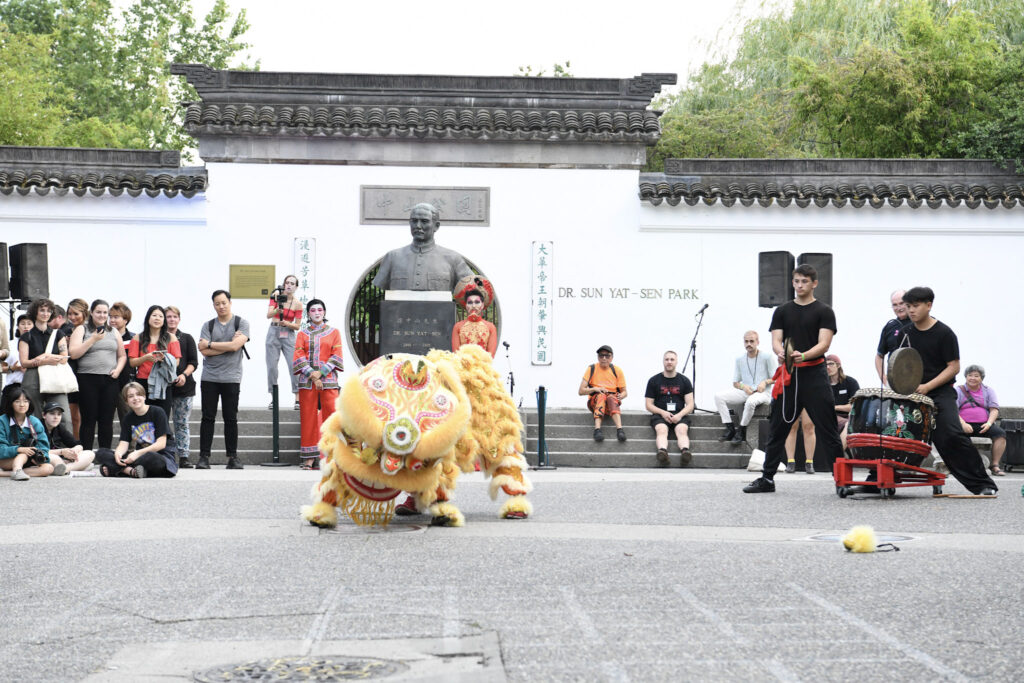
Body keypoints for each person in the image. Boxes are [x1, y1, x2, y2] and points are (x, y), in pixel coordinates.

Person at [744, 264, 843, 493]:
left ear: (814, 284)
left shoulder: (824, 311)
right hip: (790, 376)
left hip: (815, 375)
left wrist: (805, 355)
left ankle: (842, 480)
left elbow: (824, 343)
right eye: (796, 281)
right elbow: (777, 340)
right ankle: (767, 479)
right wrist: (781, 352)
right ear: (792, 282)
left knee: (828, 429)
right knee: (778, 427)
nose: (800, 285)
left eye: (805, 282)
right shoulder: (782, 311)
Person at [901, 287, 996, 495]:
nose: (911, 311)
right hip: (912, 393)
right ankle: (878, 478)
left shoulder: (944, 333)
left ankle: (982, 484)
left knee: (951, 435)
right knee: (894, 431)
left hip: (939, 393)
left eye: (915, 306)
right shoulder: (905, 333)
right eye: (908, 306)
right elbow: (900, 364)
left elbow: (953, 366)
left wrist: (927, 386)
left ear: (929, 305)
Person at [197, 289, 250, 470]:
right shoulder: (208, 325)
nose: (221, 306)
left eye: (223, 302)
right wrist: (228, 346)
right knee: (207, 418)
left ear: (230, 302)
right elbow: (202, 351)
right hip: (209, 377)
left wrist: (212, 344)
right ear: (213, 305)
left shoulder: (241, 323)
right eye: (217, 303)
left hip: (231, 377)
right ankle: (204, 457)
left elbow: (235, 346)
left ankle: (233, 457)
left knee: (230, 418)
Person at [372, 203, 473, 291]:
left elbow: (474, 287)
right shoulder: (392, 257)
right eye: (414, 221)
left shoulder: (453, 258)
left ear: (436, 226)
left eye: (424, 221)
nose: (418, 226)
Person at [292, 299, 344, 469]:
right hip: (307, 382)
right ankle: (309, 458)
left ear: (324, 312)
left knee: (332, 418)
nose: (317, 312)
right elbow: (298, 356)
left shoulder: (334, 332)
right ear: (308, 313)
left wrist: (320, 374)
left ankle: (333, 456)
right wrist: (313, 376)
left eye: (320, 309)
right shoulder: (302, 334)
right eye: (313, 310)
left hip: (328, 381)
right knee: (308, 419)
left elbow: (336, 356)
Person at [69, 300, 126, 451]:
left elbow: (122, 356)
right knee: (88, 419)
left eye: (105, 313)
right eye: (98, 312)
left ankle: (104, 454)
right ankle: (86, 454)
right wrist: (93, 339)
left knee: (106, 420)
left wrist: (118, 370)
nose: (102, 315)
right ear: (92, 313)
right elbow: (73, 354)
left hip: (109, 379)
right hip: (87, 378)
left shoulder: (113, 331)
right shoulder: (82, 329)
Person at [94, 382, 177, 478]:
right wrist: (118, 454)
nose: (135, 398)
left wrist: (137, 453)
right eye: (131, 396)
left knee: (151, 457)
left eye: (138, 394)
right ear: (126, 401)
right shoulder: (128, 418)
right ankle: (132, 471)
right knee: (101, 453)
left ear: (144, 397)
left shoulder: (158, 412)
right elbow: (123, 444)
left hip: (161, 456)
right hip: (138, 458)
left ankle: (119, 469)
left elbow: (161, 444)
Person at [17, 298, 72, 431]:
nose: (45, 313)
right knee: (34, 415)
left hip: (55, 376)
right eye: (42, 310)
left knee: (63, 416)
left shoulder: (58, 333)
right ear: (35, 312)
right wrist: (46, 360)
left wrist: (42, 358)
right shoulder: (26, 337)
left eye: (49, 311)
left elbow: (64, 358)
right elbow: (24, 362)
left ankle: (65, 445)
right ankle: (38, 445)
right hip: (33, 377)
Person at [714, 331, 775, 446]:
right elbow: (735, 382)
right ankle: (730, 428)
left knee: (750, 402)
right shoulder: (740, 359)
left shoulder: (767, 357)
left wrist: (764, 382)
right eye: (746, 341)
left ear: (758, 342)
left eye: (752, 341)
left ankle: (741, 430)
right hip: (746, 391)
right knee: (718, 396)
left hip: (763, 393)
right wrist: (743, 386)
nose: (749, 344)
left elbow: (776, 377)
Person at [128, 305, 180, 418]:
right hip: (143, 382)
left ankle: (162, 436)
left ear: (164, 320)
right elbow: (132, 362)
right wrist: (145, 358)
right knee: (143, 416)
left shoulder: (171, 338)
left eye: (161, 316)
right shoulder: (138, 338)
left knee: (162, 417)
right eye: (154, 315)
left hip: (164, 383)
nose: (157, 318)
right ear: (148, 318)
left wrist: (165, 360)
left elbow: (177, 361)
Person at [644, 350, 694, 467]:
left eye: (672, 359)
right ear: (663, 362)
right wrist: (662, 413)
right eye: (667, 359)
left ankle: (685, 452)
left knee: (682, 430)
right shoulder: (654, 380)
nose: (669, 362)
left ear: (676, 362)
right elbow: (648, 404)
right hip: (660, 414)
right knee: (661, 430)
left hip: (679, 414)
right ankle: (662, 452)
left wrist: (680, 415)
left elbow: (690, 404)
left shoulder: (685, 381)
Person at [0, 385, 61, 480]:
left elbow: (44, 447)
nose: (22, 405)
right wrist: (19, 449)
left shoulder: (35, 422)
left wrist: (38, 455)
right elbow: (1, 449)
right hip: (5, 460)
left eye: (25, 401)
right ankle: (16, 470)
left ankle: (6, 474)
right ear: (10, 403)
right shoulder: (2, 421)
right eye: (17, 401)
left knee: (48, 468)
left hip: (29, 460)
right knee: (23, 454)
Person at [956, 364, 1006, 477]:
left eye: (976, 376)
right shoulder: (958, 390)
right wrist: (963, 424)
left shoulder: (988, 391)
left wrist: (988, 424)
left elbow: (994, 410)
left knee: (1000, 434)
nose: (972, 378)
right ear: (966, 377)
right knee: (950, 433)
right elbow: (953, 410)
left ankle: (995, 465)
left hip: (984, 425)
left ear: (981, 378)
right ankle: (953, 465)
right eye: (970, 375)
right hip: (963, 424)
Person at [165, 306, 199, 469]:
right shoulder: (159, 338)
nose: (171, 319)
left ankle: (184, 456)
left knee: (181, 422)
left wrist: (184, 375)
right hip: (163, 387)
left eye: (174, 316)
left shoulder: (187, 338)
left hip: (184, 388)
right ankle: (164, 453)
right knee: (161, 421)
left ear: (179, 319)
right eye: (168, 316)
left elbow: (193, 362)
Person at [266, 274, 303, 410]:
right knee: (271, 367)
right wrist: (277, 309)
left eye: (292, 283)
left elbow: (298, 326)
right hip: (273, 332)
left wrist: (287, 323)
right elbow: (268, 315)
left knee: (293, 366)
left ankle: (297, 398)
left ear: (296, 287)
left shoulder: (298, 304)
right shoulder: (276, 296)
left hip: (288, 334)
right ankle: (273, 398)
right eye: (287, 282)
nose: (289, 285)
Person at [578, 345, 628, 443]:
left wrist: (621, 396)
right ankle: (597, 430)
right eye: (601, 356)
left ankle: (620, 430)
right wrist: (595, 389)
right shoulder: (591, 368)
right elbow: (581, 391)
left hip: (611, 401)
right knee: (601, 396)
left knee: (610, 398)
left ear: (612, 358)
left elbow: (625, 392)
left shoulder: (617, 370)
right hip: (595, 400)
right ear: (598, 357)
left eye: (607, 356)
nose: (604, 358)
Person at [41, 400, 95, 473]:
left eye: (59, 414)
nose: (56, 417)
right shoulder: (38, 426)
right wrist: (62, 452)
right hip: (45, 458)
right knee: (54, 458)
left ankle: (65, 469)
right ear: (44, 415)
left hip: (61, 460)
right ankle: (75, 467)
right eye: (52, 414)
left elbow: (78, 444)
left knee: (90, 453)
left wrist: (74, 451)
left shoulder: (59, 427)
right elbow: (40, 451)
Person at [451, 276, 497, 356]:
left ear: (482, 305)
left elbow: (490, 355)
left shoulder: (490, 327)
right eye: (470, 302)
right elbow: (456, 354)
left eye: (477, 302)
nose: (473, 305)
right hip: (462, 367)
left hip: (483, 367)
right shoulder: (458, 327)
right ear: (466, 305)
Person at [62, 298, 88, 438]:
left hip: (86, 374)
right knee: (73, 416)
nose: (72, 317)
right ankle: (76, 443)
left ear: (84, 313)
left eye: (76, 314)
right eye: (70, 314)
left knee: (84, 416)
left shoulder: (90, 330)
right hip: (70, 374)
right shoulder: (65, 330)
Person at [875, 289, 911, 384]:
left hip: (918, 379)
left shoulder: (919, 323)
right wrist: (883, 378)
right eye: (895, 305)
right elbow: (879, 356)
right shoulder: (889, 326)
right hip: (895, 380)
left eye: (901, 303)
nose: (899, 307)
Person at [826, 354, 859, 451]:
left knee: (850, 424)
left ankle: (839, 453)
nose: (828, 367)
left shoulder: (850, 382)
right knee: (848, 424)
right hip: (829, 416)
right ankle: (838, 455)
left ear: (838, 365)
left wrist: (834, 407)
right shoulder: (823, 385)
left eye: (831, 364)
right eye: (825, 365)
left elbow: (854, 406)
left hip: (848, 416)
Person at [109, 302, 134, 420]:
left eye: (116, 317)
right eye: (111, 317)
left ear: (125, 320)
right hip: (107, 381)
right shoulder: (104, 336)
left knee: (127, 417)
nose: (112, 320)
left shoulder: (133, 339)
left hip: (126, 384)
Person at [3, 315, 33, 389]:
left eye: (29, 324)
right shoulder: (10, 344)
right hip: (13, 386)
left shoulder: (38, 343)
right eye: (22, 324)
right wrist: (13, 368)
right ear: (18, 326)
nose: (26, 326)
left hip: (33, 387)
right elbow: (2, 367)